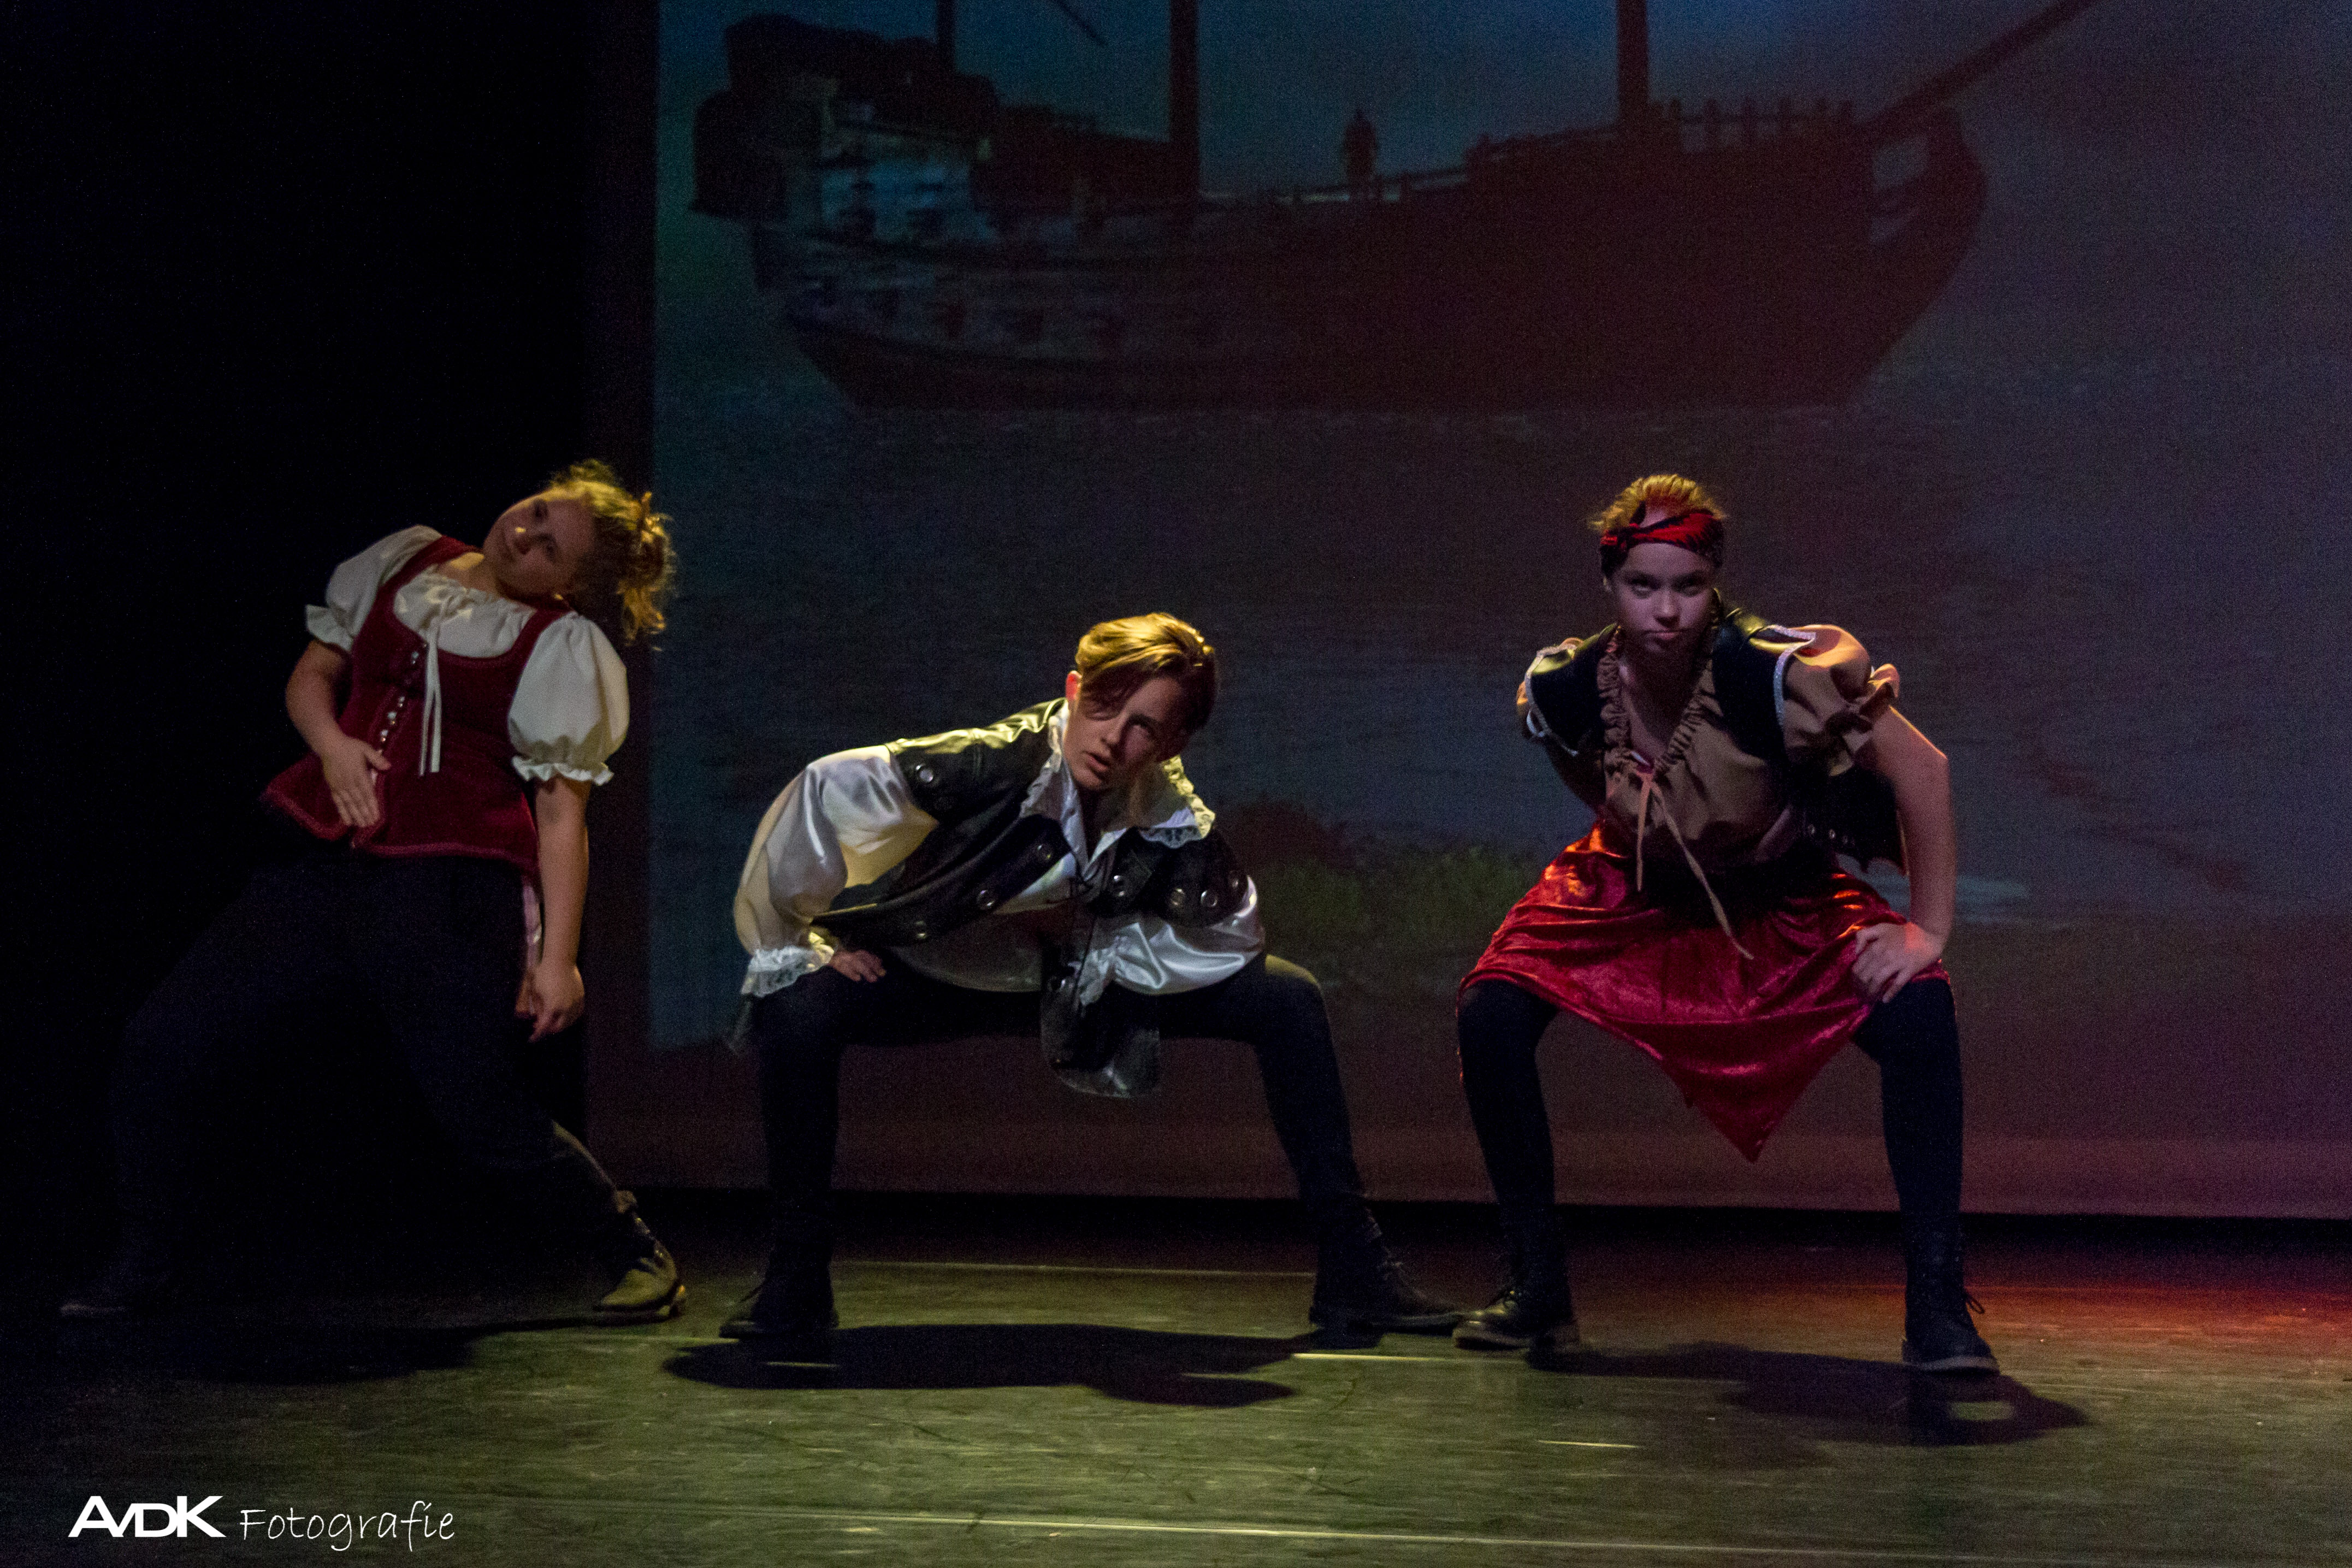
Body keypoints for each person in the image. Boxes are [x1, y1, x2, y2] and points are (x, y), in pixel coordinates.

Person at [63, 461, 684, 1324]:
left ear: (571, 584)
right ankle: (148, 1257)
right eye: (537, 512)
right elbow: (310, 678)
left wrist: (558, 959)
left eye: (550, 548)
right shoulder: (406, 559)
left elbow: (559, 813)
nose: (524, 535)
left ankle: (632, 1248)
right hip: (328, 860)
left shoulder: (559, 644)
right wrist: (333, 747)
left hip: (446, 886)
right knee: (164, 1040)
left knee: (476, 1108)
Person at [726, 613, 1457, 1344]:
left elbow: (1226, 929)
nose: (1112, 738)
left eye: (1144, 727)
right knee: (795, 1007)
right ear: (1074, 690)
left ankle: (1354, 1270)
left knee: (1288, 1000)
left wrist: (1083, 930)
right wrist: (801, 939)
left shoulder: (1164, 806)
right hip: (947, 973)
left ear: (1171, 744)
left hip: (1079, 980)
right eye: (1104, 707)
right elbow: (828, 790)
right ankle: (797, 1277)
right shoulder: (989, 762)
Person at [1451, 474, 1996, 1374]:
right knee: (1491, 1012)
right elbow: (1600, 789)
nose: (1666, 611)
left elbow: (1922, 771)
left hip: (1775, 897)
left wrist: (1925, 931)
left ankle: (1936, 1309)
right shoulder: (1569, 686)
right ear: (1609, 585)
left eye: (1688, 586)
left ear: (1715, 584)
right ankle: (1536, 1287)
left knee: (1920, 1014)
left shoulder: (1767, 673)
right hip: (1634, 890)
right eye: (1643, 586)